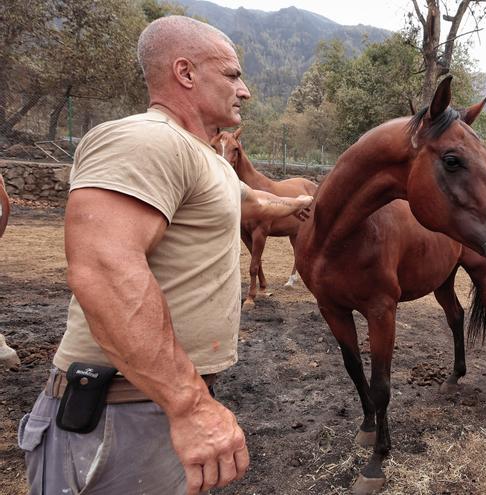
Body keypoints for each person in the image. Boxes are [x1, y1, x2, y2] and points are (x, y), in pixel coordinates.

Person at [17, 16, 312, 495]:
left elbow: (254, 201)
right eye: (233, 75)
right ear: (185, 73)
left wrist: (302, 203)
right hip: (121, 410)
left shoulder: (205, 160)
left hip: (150, 405)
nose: (245, 91)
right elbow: (104, 272)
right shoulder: (145, 140)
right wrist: (190, 407)